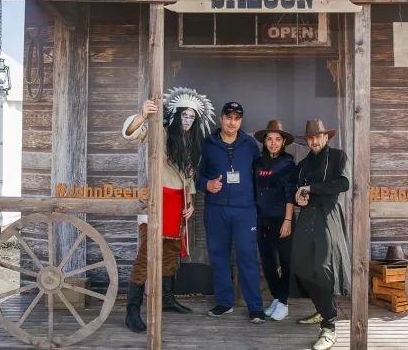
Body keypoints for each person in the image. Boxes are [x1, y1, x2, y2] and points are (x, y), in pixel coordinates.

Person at [121, 87, 216, 333]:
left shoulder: (191, 143)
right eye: (184, 115)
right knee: (146, 255)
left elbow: (188, 177)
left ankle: (167, 299)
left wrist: (189, 202)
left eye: (192, 117)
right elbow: (131, 133)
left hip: (178, 203)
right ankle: (132, 312)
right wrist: (142, 115)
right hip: (157, 199)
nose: (187, 120)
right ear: (176, 115)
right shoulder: (160, 133)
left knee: (171, 252)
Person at [197, 101, 266, 323]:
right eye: (229, 117)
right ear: (221, 119)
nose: (232, 122)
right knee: (219, 257)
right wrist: (206, 185)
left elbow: (260, 175)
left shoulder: (250, 144)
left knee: (248, 257)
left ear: (241, 121)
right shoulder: (207, 144)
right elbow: (195, 175)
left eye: (236, 118)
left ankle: (255, 306)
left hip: (245, 210)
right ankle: (224, 302)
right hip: (216, 209)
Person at [291, 119, 352, 350]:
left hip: (328, 215)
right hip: (307, 217)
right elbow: (298, 191)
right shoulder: (303, 165)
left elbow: (343, 183)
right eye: (310, 138)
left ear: (326, 137)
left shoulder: (338, 157)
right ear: (306, 141)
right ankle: (322, 309)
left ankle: (329, 327)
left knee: (323, 267)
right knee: (301, 265)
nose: (314, 141)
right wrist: (299, 198)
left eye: (318, 137)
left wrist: (311, 188)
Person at [252, 120, 297, 321]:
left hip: (281, 218)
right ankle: (277, 298)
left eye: (277, 139)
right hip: (262, 218)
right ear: (264, 141)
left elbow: (290, 193)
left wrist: (288, 220)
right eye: (269, 139)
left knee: (286, 261)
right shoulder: (257, 162)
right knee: (268, 261)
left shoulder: (288, 163)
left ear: (283, 141)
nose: (273, 143)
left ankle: (284, 302)